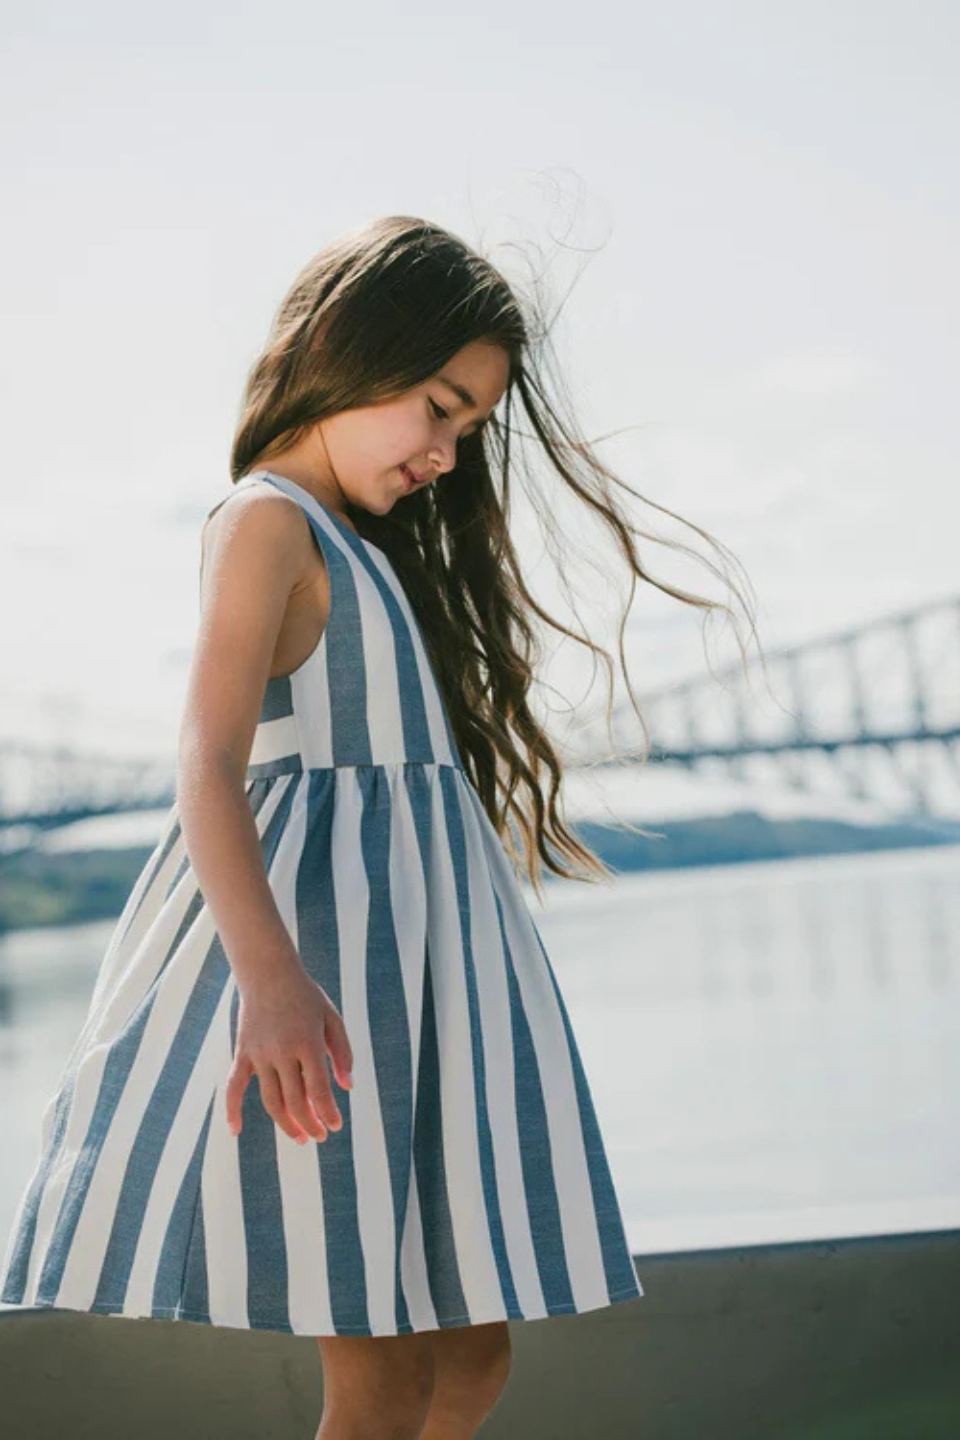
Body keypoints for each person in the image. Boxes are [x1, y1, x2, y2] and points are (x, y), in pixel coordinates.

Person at [0, 214, 757, 1438]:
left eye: (471, 429)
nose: (450, 451)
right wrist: (272, 980)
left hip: (424, 983)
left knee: (470, 1363)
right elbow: (207, 757)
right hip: (332, 989)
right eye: (438, 407)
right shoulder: (264, 522)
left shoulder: (364, 550)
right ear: (350, 353)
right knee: (386, 1377)